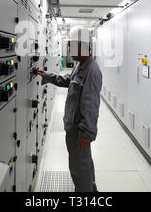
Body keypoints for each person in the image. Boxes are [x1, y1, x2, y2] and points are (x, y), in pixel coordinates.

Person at [38, 26, 102, 192]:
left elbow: (91, 105)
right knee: (84, 161)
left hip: (79, 131)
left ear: (82, 46)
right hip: (73, 128)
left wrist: (86, 133)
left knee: (78, 166)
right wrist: (46, 76)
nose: (69, 50)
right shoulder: (80, 66)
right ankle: (90, 188)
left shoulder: (92, 71)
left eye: (71, 46)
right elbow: (67, 80)